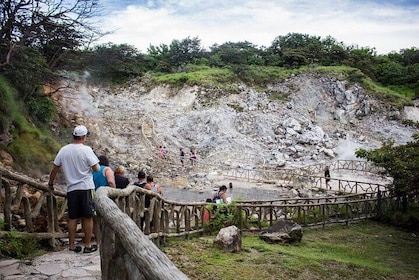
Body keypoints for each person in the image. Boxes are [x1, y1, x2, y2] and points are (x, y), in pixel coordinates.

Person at [48, 125, 99, 254]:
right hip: (86, 187)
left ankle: (71, 245)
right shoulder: (86, 150)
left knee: (73, 218)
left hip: (71, 188)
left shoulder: (63, 150)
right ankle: (87, 245)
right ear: (83, 136)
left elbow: (55, 168)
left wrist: (50, 183)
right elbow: (96, 168)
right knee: (88, 217)